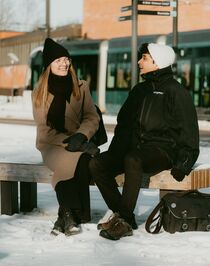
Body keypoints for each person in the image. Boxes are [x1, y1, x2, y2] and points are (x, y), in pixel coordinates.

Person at [90, 42, 199, 240]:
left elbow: (189, 132)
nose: (139, 62)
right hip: (135, 148)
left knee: (133, 159)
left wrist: (184, 162)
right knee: (96, 163)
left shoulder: (176, 92)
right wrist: (115, 153)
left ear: (157, 63)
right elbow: (123, 125)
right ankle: (124, 216)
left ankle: (122, 219)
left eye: (145, 58)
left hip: (163, 150)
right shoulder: (139, 90)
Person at [32, 38, 100, 236]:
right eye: (58, 60)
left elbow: (91, 116)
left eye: (66, 59)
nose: (64, 63)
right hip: (51, 145)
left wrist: (81, 135)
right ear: (49, 65)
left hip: (80, 141)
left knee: (82, 160)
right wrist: (72, 142)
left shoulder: (81, 86)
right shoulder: (39, 93)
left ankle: (67, 215)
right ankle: (73, 213)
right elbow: (44, 129)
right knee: (71, 158)